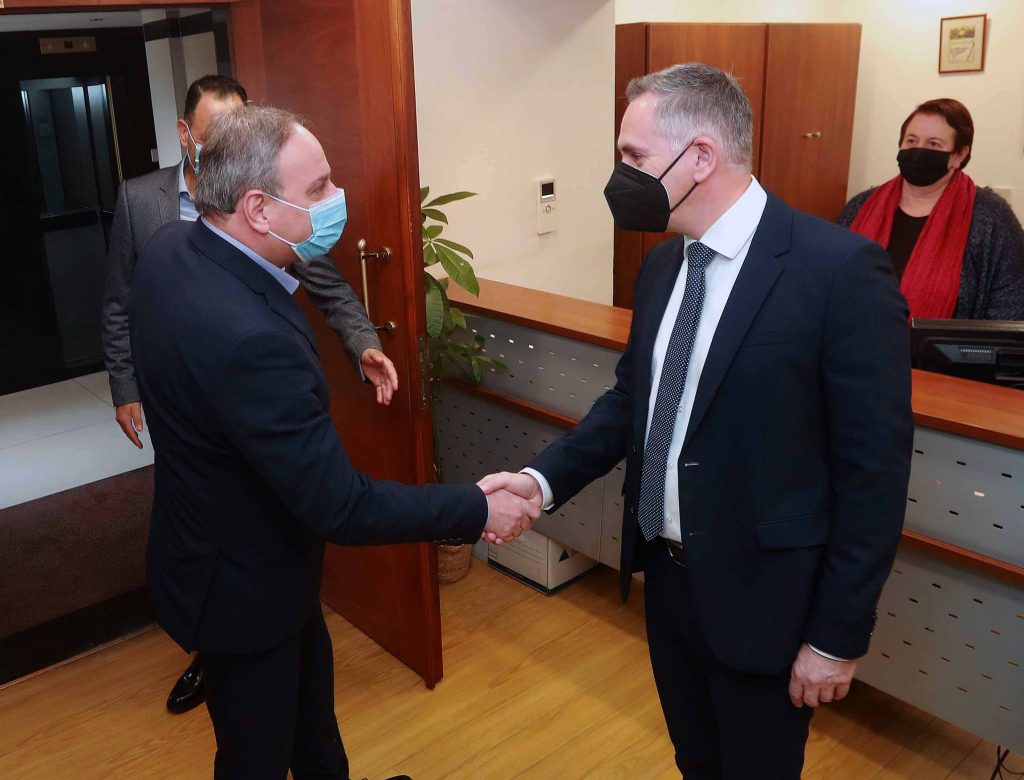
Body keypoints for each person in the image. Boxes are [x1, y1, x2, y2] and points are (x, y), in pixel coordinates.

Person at [480, 63, 913, 779]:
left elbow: (875, 474)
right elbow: (632, 401)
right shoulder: (662, 268)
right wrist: (540, 481)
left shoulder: (839, 271)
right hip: (668, 581)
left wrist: (837, 635)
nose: (621, 175)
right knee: (696, 762)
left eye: (634, 156)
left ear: (701, 156)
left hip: (768, 602)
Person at [130, 104, 537, 780]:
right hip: (243, 592)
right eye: (319, 187)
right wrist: (477, 506)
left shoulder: (173, 249)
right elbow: (341, 506)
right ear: (258, 208)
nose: (337, 197)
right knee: (256, 758)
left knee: (314, 728)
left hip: (224, 554)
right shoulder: (249, 340)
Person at [101, 74, 398, 715]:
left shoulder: (275, 229)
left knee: (308, 703)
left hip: (264, 538)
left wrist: (362, 342)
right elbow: (121, 304)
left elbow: (326, 281)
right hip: (217, 517)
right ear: (188, 135)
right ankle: (215, 656)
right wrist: (126, 386)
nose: (233, 139)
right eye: (219, 130)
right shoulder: (150, 215)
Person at [837, 98, 1024, 320]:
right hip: (851, 339)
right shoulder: (860, 206)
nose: (919, 150)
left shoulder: (992, 217)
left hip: (942, 344)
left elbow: (1010, 309)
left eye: (934, 144)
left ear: (959, 155)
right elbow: (825, 276)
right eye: (911, 140)